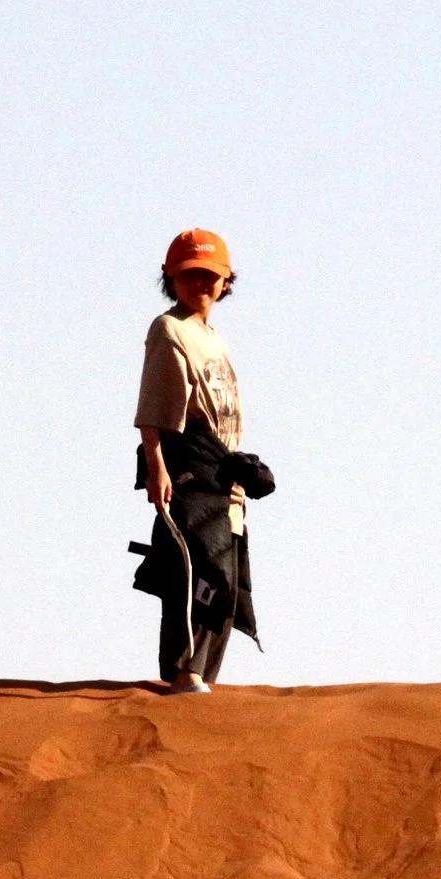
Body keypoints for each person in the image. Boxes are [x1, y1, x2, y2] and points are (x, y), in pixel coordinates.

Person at [131, 228, 258, 693]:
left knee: (227, 577)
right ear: (171, 278)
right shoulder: (169, 330)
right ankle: (185, 673)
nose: (200, 284)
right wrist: (157, 469)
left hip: (224, 474)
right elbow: (154, 411)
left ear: (226, 282)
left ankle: (202, 678)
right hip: (187, 465)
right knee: (196, 569)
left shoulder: (213, 338)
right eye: (189, 275)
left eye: (209, 275)